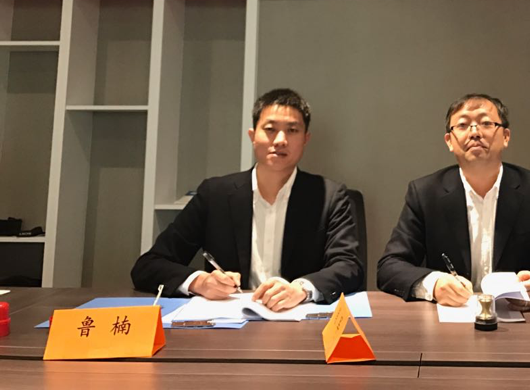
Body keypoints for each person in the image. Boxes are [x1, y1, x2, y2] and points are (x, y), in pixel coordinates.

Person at [131, 88, 363, 311]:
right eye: (270, 129)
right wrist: (200, 282)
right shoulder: (215, 195)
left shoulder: (329, 196)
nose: (280, 140)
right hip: (229, 323)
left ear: (305, 139)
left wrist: (301, 289)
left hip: (300, 320)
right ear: (252, 136)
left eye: (292, 130)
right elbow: (149, 265)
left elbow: (349, 266)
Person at [377, 93, 530, 308]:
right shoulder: (425, 193)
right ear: (449, 141)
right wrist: (434, 284)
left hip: (519, 315)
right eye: (463, 125)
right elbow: (390, 265)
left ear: (505, 136)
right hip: (450, 315)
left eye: (486, 123)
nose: (475, 132)